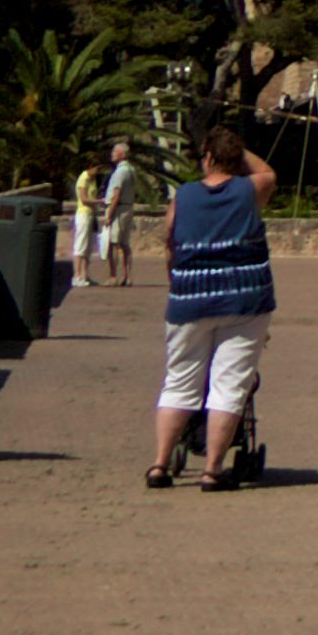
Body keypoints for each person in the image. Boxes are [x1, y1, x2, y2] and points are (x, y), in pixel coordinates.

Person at [152, 124, 278, 492]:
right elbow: (267, 172)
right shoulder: (250, 189)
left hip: (189, 298)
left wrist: (177, 283)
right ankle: (212, 470)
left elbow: (170, 241)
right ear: (236, 160)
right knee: (229, 384)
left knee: (179, 382)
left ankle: (160, 465)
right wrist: (238, 152)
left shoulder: (184, 196)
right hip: (244, 299)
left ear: (206, 159)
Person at [98, 137, 146, 286]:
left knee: (113, 243)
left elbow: (116, 194)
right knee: (125, 244)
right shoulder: (131, 170)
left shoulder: (120, 172)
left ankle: (113, 276)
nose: (112, 154)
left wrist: (109, 214)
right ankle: (127, 276)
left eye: (115, 151)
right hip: (127, 207)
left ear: (122, 154)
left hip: (118, 209)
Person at [65, 156, 101, 286]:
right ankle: (77, 275)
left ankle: (85, 275)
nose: (97, 171)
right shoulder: (83, 178)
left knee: (88, 247)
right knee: (80, 245)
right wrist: (99, 201)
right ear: (90, 167)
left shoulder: (93, 180)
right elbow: (84, 199)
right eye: (96, 168)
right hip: (83, 214)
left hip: (91, 214)